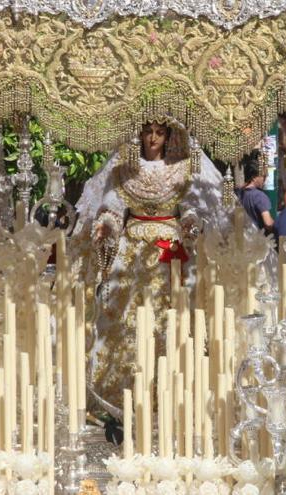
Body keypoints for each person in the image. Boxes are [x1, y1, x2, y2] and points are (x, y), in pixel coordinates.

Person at [75, 120, 214, 412]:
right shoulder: (125, 168)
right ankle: (120, 393)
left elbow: (190, 206)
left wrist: (190, 223)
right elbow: (113, 207)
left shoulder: (182, 168)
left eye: (160, 133)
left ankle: (172, 392)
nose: (153, 139)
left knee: (171, 317)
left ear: (169, 136)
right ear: (139, 133)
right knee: (125, 317)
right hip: (132, 247)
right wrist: (107, 226)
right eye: (148, 132)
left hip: (170, 250)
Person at [237, 152, 275, 233]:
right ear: (254, 177)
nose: (265, 179)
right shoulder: (260, 196)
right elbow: (268, 224)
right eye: (263, 176)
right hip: (258, 240)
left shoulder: (239, 193)